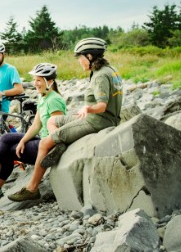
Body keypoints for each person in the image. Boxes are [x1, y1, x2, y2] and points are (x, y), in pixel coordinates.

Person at [8, 37, 123, 202]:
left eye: (80, 57)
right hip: (100, 117)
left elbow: (102, 106)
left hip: (97, 121)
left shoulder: (100, 76)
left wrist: (88, 108)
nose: (79, 61)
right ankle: (59, 143)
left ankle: (32, 188)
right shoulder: (110, 70)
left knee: (43, 143)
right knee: (53, 121)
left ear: (90, 56)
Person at [0, 63, 67, 201]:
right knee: (6, 138)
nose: (35, 83)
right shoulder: (43, 96)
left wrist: (30, 143)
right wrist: (23, 141)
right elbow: (36, 124)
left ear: (49, 81)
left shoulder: (54, 100)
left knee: (7, 151)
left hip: (47, 147)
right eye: (34, 80)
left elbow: (56, 131)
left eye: (38, 80)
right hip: (40, 140)